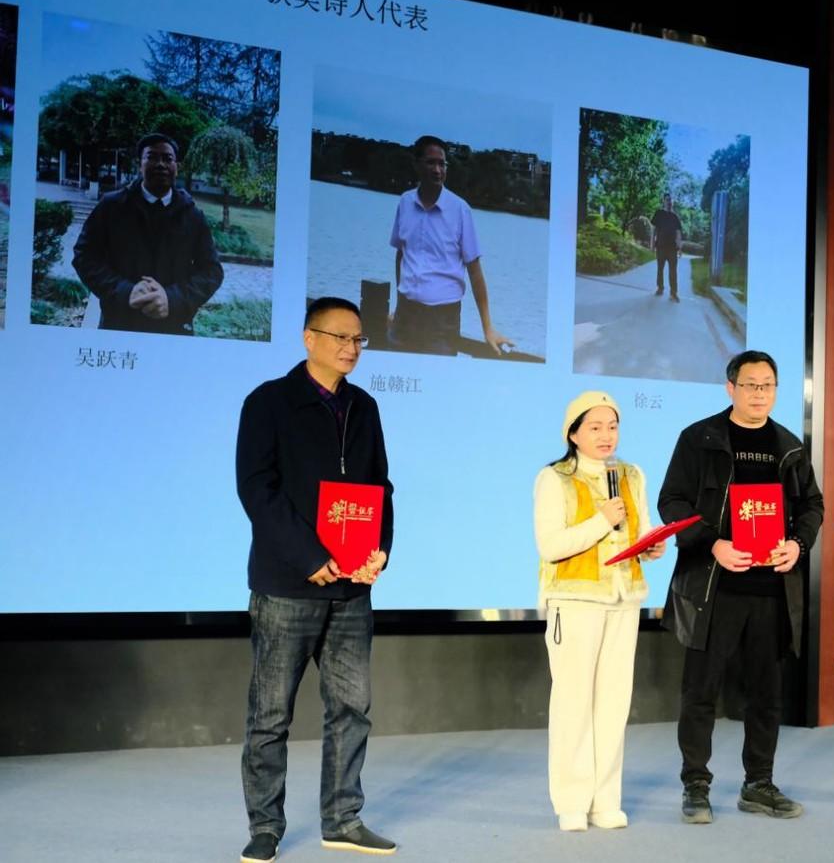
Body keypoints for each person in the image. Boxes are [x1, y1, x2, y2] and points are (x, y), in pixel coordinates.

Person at [235, 297, 395, 862]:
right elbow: (257, 489)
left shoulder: (364, 406)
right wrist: (307, 556)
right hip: (288, 585)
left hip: (352, 589)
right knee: (270, 715)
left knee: (352, 709)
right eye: (340, 337)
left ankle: (343, 819)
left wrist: (380, 551)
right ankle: (265, 827)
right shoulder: (269, 401)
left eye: (358, 340)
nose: (351, 348)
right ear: (309, 338)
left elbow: (380, 489)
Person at [658, 350, 824, 824]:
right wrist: (713, 543)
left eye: (767, 385)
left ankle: (759, 784)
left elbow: (812, 506)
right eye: (750, 385)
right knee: (700, 692)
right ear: (730, 388)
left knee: (767, 695)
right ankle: (696, 785)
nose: (759, 394)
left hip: (772, 590)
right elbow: (672, 502)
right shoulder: (700, 439)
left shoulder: (789, 446)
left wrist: (797, 544)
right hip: (714, 588)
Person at [533, 390, 666, 832]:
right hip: (574, 601)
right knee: (573, 701)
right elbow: (551, 546)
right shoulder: (554, 478)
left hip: (624, 600)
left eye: (612, 426)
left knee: (613, 702)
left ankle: (605, 799)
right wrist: (601, 521)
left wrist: (651, 546)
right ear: (573, 434)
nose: (606, 435)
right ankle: (572, 800)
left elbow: (638, 530)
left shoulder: (631, 474)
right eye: (595, 427)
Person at [72, 132, 223, 334]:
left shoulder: (193, 215)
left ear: (177, 166)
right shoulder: (112, 206)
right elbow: (85, 256)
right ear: (139, 164)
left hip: (173, 326)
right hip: (119, 322)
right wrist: (125, 291)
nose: (160, 164)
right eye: (152, 157)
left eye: (167, 158)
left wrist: (172, 299)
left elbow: (212, 271)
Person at [387, 135, 512, 356]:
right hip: (405, 314)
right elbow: (401, 255)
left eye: (442, 164)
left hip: (442, 320)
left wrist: (487, 328)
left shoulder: (460, 210)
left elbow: (475, 271)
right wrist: (398, 305)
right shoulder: (405, 202)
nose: (437, 170)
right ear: (417, 165)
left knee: (437, 373)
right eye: (431, 162)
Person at [651, 192, 683, 302]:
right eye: (667, 200)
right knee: (660, 269)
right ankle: (660, 288)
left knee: (673, 271)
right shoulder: (659, 213)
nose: (669, 202)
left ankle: (673, 293)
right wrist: (652, 244)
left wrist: (680, 248)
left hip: (672, 248)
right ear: (663, 201)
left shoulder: (675, 217)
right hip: (660, 246)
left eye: (671, 200)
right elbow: (653, 230)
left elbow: (678, 233)